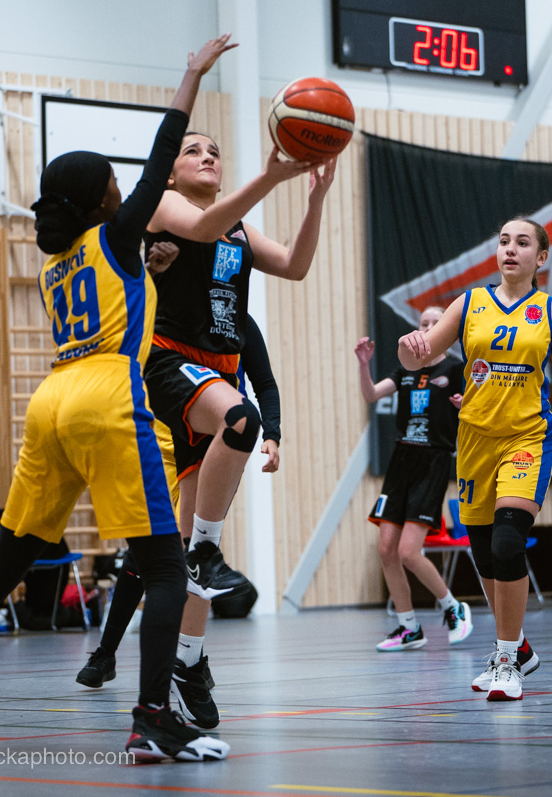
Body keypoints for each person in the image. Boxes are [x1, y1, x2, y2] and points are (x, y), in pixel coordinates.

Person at [0, 34, 236, 762]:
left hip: (53, 400)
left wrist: (152, 263)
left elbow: (125, 276)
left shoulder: (63, 259)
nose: (125, 192)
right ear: (102, 198)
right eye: (115, 186)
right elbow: (161, 155)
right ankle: (152, 719)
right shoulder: (119, 234)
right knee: (166, 567)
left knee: (0, 569)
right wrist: (190, 75)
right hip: (109, 396)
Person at [143, 132, 336, 728]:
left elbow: (297, 267)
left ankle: (186, 659)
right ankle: (205, 549)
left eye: (214, 151)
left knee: (187, 548)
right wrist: (272, 176)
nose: (207, 156)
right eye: (192, 150)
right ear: (170, 172)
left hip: (219, 372)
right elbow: (201, 229)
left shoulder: (239, 231)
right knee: (242, 420)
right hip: (171, 361)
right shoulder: (164, 205)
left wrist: (314, 200)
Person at [398, 216, 552, 702]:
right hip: (475, 441)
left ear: (540, 257)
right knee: (485, 556)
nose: (511, 249)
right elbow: (421, 355)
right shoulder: (470, 303)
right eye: (504, 241)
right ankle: (518, 646)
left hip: (527, 438)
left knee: (506, 543)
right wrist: (408, 348)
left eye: (522, 242)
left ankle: (505, 660)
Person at [76, 311, 281, 689]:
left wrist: (272, 433)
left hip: (212, 450)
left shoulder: (238, 320)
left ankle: (184, 657)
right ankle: (117, 654)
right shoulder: (171, 314)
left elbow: (264, 383)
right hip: (161, 441)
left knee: (196, 550)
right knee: (148, 547)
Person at [356, 307, 473, 652]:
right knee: (386, 550)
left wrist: (464, 405)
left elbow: (478, 407)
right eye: (424, 323)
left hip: (433, 460)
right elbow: (371, 395)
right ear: (416, 329)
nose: (430, 327)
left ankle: (453, 607)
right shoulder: (406, 370)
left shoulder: (456, 368)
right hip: (401, 461)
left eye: (437, 323)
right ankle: (409, 627)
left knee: (409, 552)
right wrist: (363, 365)